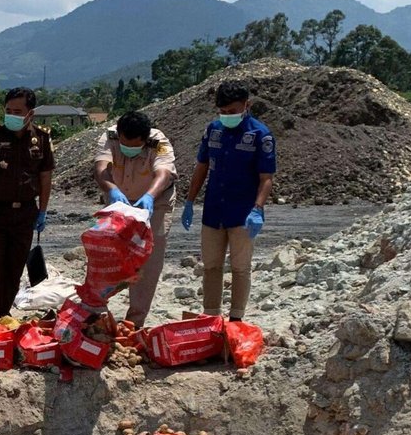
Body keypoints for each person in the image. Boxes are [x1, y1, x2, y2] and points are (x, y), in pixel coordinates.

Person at [181, 80, 276, 320]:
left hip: (242, 212)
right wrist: (190, 201)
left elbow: (266, 178)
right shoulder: (213, 130)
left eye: (232, 111)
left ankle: (236, 318)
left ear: (247, 105)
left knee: (240, 267)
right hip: (214, 210)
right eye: (222, 112)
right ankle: (211, 316)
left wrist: (258, 208)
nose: (227, 116)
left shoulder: (260, 135)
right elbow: (202, 166)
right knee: (211, 266)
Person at [0, 87, 53, 318]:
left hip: (25, 213)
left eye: (17, 111)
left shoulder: (42, 138)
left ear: (30, 113)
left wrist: (43, 212)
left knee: (14, 268)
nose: (12, 115)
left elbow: (46, 177)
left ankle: (4, 314)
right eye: (8, 110)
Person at [93, 109, 177, 327]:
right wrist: (111, 189)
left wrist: (149, 196)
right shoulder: (109, 137)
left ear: (145, 138)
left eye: (134, 146)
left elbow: (164, 173)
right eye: (125, 144)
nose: (128, 149)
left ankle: (135, 321)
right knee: (109, 254)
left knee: (148, 257)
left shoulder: (158, 141)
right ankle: (98, 314)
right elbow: (101, 168)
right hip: (119, 199)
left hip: (155, 202)